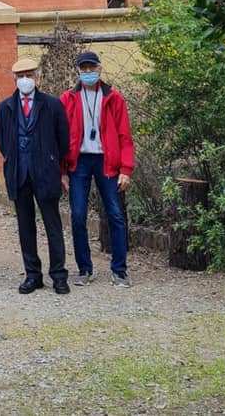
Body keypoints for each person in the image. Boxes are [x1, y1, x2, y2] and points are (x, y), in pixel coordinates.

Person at [60, 50, 135, 288]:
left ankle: (119, 270)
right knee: (78, 215)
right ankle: (84, 269)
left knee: (115, 214)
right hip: (79, 161)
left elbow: (125, 135)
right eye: (84, 69)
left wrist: (126, 169)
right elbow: (61, 136)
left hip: (107, 160)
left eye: (92, 68)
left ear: (100, 69)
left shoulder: (114, 97)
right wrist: (62, 170)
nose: (88, 72)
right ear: (78, 71)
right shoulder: (68, 98)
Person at [0, 57, 70, 295]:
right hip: (19, 172)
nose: (25, 80)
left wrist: (54, 163)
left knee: (52, 225)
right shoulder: (6, 107)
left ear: (37, 77)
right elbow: (2, 139)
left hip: (45, 172)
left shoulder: (52, 104)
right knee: (25, 226)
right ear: (14, 79)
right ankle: (32, 274)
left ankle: (59, 275)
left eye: (29, 75)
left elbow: (63, 139)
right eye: (20, 76)